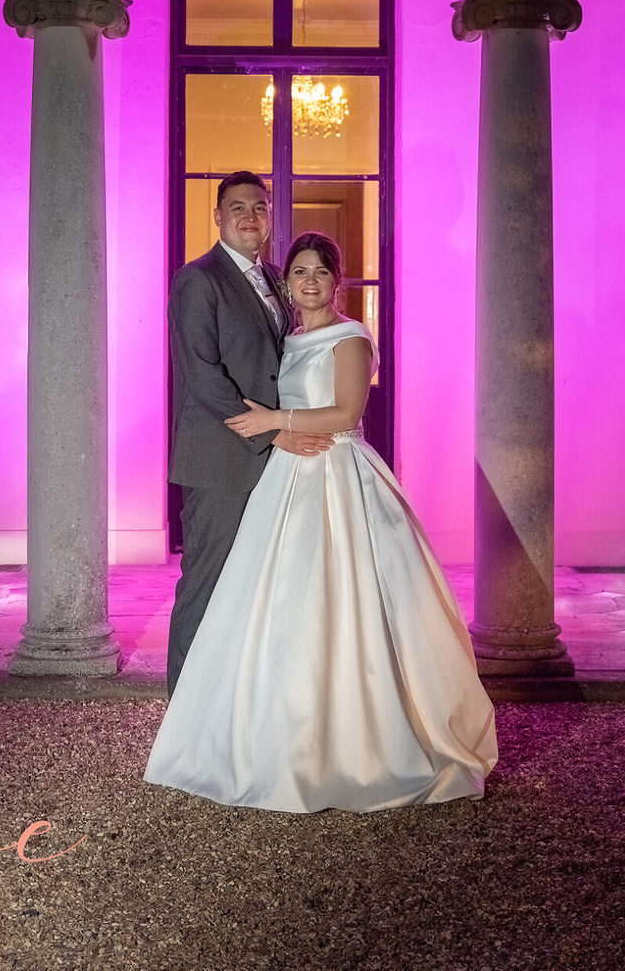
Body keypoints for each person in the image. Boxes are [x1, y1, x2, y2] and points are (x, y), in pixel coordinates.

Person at [146, 231, 498, 812]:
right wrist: (277, 430)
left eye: (320, 272)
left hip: (338, 473)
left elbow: (346, 411)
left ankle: (360, 738)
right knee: (278, 603)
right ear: (288, 284)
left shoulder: (352, 336)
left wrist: (273, 419)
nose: (309, 281)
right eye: (300, 272)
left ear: (337, 281)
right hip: (286, 475)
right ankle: (276, 730)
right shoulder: (290, 339)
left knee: (346, 599)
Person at [164, 172, 334, 699]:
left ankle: (235, 704)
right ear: (217, 217)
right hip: (220, 459)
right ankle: (185, 710)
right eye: (236, 207)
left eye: (259, 208)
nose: (248, 217)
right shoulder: (198, 279)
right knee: (206, 582)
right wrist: (273, 434)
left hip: (272, 460)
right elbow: (203, 376)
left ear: (269, 217)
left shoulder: (276, 281)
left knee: (254, 585)